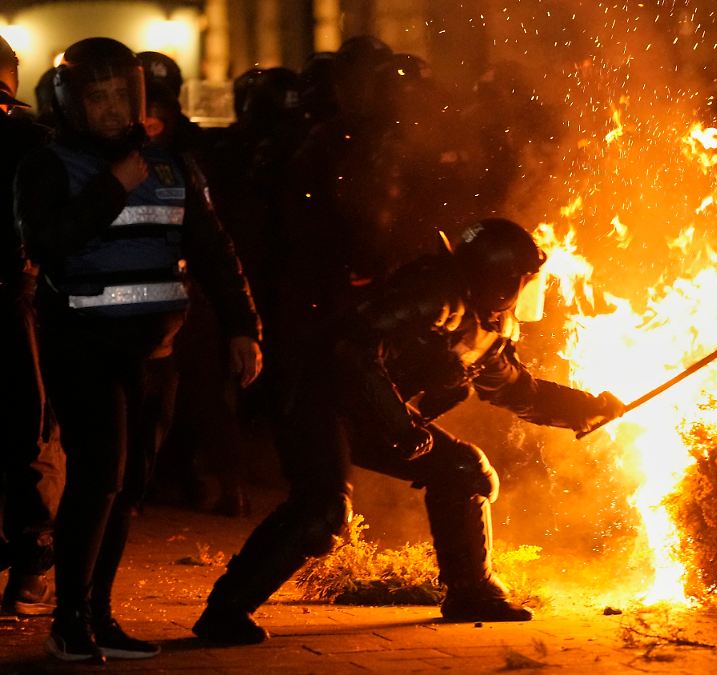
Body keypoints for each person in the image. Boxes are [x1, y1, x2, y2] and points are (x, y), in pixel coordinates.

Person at [192, 218, 624, 645]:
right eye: (524, 280)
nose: (528, 291)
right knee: (322, 510)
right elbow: (351, 350)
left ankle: (471, 594)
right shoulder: (432, 293)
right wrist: (398, 424)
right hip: (315, 400)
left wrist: (586, 410)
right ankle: (226, 611)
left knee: (463, 469)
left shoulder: (481, 320)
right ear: (500, 280)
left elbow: (517, 390)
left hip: (371, 414)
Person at [14, 37, 261, 662]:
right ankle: (68, 619)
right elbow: (49, 243)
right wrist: (112, 186)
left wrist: (242, 326)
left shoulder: (174, 166)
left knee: (129, 486)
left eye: (120, 94)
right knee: (98, 477)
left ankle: (99, 614)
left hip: (154, 351)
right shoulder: (48, 165)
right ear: (70, 101)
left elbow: (213, 249)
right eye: (96, 97)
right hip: (82, 343)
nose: (110, 108)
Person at [0, 33, 60, 618]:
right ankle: (29, 564)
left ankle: (32, 564)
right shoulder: (38, 141)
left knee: (31, 432)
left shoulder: (37, 144)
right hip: (23, 300)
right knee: (29, 432)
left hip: (23, 302)